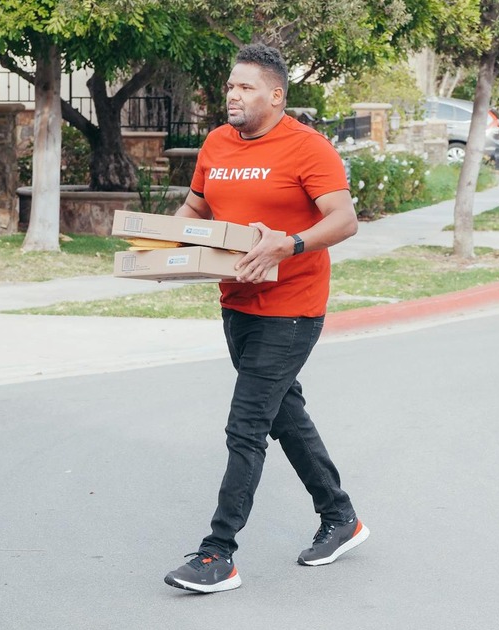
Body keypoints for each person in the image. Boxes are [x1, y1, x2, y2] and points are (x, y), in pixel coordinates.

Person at [162, 44, 368, 594]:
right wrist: (163, 242)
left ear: (276, 96)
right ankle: (341, 516)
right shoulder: (216, 143)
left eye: (246, 87)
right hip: (236, 300)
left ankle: (218, 553)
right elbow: (197, 208)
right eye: (230, 86)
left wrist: (290, 245)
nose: (233, 95)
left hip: (293, 308)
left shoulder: (308, 148)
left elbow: (344, 220)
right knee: (284, 415)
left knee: (247, 423)